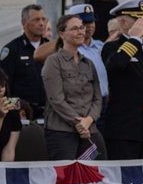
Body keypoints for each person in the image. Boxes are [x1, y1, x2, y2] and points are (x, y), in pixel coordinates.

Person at [101, 0, 143, 160]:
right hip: (124, 130)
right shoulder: (112, 47)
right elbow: (115, 65)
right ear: (123, 23)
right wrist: (134, 39)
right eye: (138, 19)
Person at [41, 14, 102, 160]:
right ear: (62, 34)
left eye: (81, 28)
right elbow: (56, 99)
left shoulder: (88, 63)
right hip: (62, 132)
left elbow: (97, 97)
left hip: (89, 130)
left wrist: (89, 120)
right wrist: (79, 123)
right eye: (75, 29)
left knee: (89, 178)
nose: (81, 32)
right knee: (65, 178)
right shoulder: (53, 61)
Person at [0, 3, 48, 116]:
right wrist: (16, 112)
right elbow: (5, 87)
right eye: (36, 20)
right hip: (23, 115)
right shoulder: (12, 50)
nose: (41, 23)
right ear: (23, 23)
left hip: (49, 114)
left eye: (43, 19)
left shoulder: (50, 48)